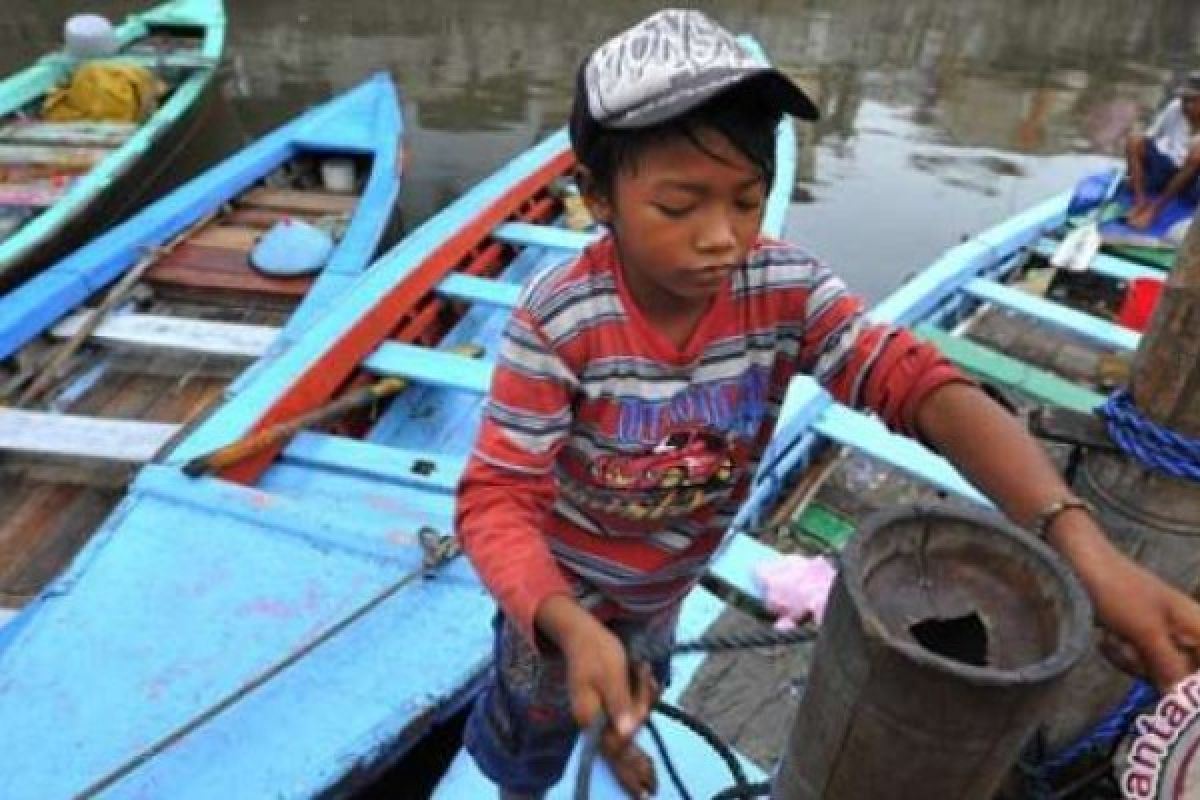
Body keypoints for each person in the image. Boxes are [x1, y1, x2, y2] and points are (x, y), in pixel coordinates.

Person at [456, 10, 1200, 799]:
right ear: (597, 195)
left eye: (748, 201)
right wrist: (567, 625)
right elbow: (497, 499)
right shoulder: (559, 321)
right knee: (531, 739)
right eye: (679, 207)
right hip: (556, 597)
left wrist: (1089, 554)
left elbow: (917, 386)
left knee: (636, 685)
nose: (722, 239)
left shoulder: (780, 288)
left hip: (662, 588)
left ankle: (616, 739)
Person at [1126, 73, 1200, 229]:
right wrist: (1135, 172)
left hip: (1194, 181)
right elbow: (1150, 136)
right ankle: (1140, 202)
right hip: (1168, 166)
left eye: (1192, 101)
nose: (1186, 105)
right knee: (1134, 140)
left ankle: (1155, 209)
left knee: (1196, 155)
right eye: (1184, 100)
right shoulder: (1175, 107)